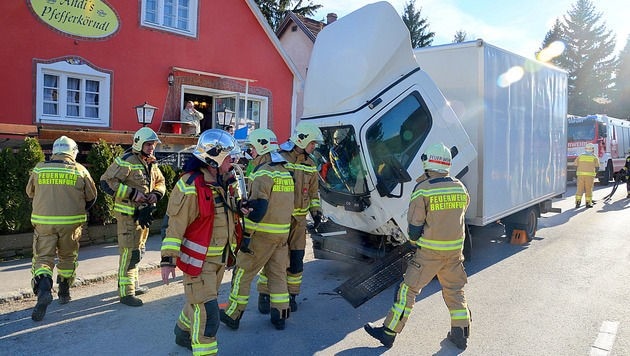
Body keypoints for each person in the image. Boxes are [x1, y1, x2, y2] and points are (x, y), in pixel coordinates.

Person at [364, 143, 472, 350]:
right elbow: (459, 215)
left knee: (408, 290)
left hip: (429, 253)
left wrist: (413, 243)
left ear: (427, 163)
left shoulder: (423, 189)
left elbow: (414, 226)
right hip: (455, 252)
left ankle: (388, 333)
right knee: (455, 290)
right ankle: (460, 334)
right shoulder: (459, 187)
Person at [160, 129, 242, 354]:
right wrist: (167, 260)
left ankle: (182, 331)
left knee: (198, 302)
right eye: (228, 157)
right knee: (208, 315)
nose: (233, 161)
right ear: (213, 159)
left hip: (219, 261)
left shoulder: (223, 182)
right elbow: (175, 225)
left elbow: (224, 217)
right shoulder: (190, 184)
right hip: (199, 263)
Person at [220, 128, 295, 330]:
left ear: (261, 147)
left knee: (242, 274)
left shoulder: (262, 174)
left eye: (252, 148)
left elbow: (258, 211)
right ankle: (280, 315)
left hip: (261, 236)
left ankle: (233, 315)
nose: (251, 152)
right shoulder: (285, 173)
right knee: (277, 274)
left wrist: (245, 219)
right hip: (282, 235)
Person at [26, 136, 98, 321]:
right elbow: (92, 197)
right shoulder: (80, 170)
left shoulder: (39, 168)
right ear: (73, 152)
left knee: (43, 258)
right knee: (67, 257)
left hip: (44, 223)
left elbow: (29, 192)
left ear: (55, 151)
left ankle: (44, 289)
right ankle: (64, 292)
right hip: (71, 224)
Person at [257, 122, 324, 314]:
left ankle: (292, 295)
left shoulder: (310, 164)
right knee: (274, 258)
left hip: (299, 222)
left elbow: (313, 193)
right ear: (301, 140)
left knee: (296, 259)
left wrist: (316, 211)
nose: (314, 147)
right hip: (280, 219)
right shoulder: (279, 158)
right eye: (313, 143)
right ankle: (264, 294)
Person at [100, 127, 166, 307]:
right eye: (148, 144)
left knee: (138, 251)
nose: (152, 147)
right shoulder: (126, 161)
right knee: (129, 253)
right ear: (139, 144)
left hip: (143, 216)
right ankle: (126, 293)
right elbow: (106, 182)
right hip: (128, 217)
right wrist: (131, 193)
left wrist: (156, 194)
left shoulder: (151, 162)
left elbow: (160, 181)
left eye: (153, 144)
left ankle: (133, 285)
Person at [575, 143, 599, 208]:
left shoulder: (580, 156)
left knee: (580, 189)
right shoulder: (594, 157)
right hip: (590, 176)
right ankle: (588, 203)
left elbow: (575, 165)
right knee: (588, 189)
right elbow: (597, 167)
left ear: (585, 149)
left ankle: (578, 202)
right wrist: (595, 174)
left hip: (580, 176)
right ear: (592, 149)